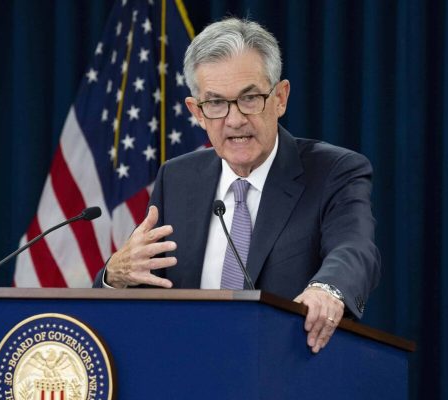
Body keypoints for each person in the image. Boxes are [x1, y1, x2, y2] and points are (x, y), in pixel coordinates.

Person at [94, 17, 380, 354]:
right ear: (197, 112)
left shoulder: (334, 171)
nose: (234, 119)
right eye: (215, 103)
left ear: (280, 98)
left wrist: (327, 290)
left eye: (250, 98)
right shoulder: (177, 179)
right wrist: (114, 275)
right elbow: (150, 292)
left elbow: (355, 249)